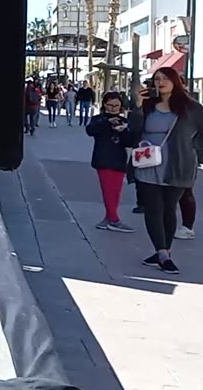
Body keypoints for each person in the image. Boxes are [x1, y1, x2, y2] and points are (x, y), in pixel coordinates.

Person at [126, 67, 203, 275]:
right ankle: (162, 253)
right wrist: (138, 105)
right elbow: (133, 129)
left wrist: (196, 153)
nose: (160, 82)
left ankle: (164, 251)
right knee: (153, 209)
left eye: (165, 78)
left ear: (175, 81)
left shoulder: (192, 108)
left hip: (177, 165)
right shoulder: (149, 105)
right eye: (157, 79)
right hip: (147, 163)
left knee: (169, 209)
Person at [85, 92, 137, 233]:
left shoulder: (124, 121)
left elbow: (130, 142)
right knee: (107, 190)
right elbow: (90, 131)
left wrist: (123, 131)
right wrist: (107, 122)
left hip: (119, 160)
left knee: (116, 191)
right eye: (110, 105)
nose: (113, 108)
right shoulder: (98, 119)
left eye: (117, 106)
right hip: (103, 159)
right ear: (104, 104)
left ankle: (108, 218)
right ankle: (114, 219)